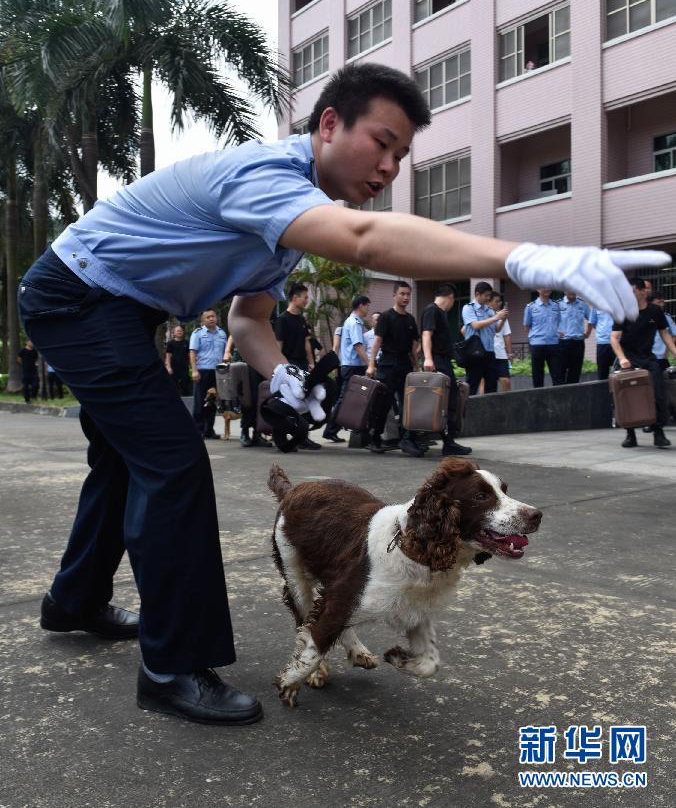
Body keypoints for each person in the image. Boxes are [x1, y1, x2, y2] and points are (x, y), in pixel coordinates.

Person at [17, 61, 666, 727]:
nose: (388, 166)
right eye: (381, 143)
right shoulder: (265, 176)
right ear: (329, 124)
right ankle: (172, 666)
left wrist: (283, 376)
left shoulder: (290, 223)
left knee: (126, 460)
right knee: (173, 463)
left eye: (401, 154)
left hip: (122, 310)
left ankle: (76, 601)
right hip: (80, 298)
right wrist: (526, 257)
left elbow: (250, 318)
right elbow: (363, 239)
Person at [611, 278, 676, 449]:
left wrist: (675, 353)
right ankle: (630, 435)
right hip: (628, 359)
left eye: (632, 292)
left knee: (658, 395)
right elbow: (614, 338)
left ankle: (658, 433)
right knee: (628, 397)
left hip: (648, 358)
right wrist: (622, 358)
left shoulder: (655, 311)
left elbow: (664, 333)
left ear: (642, 292)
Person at [366, 281, 424, 456]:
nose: (406, 297)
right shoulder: (386, 317)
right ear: (395, 295)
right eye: (402, 294)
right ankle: (375, 438)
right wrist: (371, 364)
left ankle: (407, 439)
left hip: (405, 365)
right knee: (383, 404)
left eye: (408, 294)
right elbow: (377, 342)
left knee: (409, 404)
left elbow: (414, 347)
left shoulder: (410, 319)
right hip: (388, 365)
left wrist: (416, 367)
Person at [421, 283, 472, 456]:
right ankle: (445, 441)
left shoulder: (440, 313)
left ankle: (448, 441)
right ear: (451, 297)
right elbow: (426, 334)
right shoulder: (432, 310)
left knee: (450, 401)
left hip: (443, 361)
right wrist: (428, 358)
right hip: (436, 361)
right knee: (442, 402)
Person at [274, 283, 320, 450]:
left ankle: (302, 437)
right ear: (295, 298)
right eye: (305, 297)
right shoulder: (282, 320)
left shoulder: (301, 319)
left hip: (302, 365)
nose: (307, 300)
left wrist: (311, 363)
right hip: (288, 365)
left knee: (305, 402)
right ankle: (282, 439)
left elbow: (307, 343)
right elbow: (278, 346)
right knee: (287, 403)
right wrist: (281, 368)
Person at [323, 294, 370, 442]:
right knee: (344, 399)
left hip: (349, 366)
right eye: (367, 305)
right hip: (353, 367)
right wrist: (369, 363)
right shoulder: (355, 322)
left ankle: (332, 429)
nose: (368, 309)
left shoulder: (349, 321)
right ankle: (330, 430)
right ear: (361, 305)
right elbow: (358, 345)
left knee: (345, 399)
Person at [461, 281, 506, 395]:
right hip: (475, 352)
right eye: (486, 295)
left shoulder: (489, 310)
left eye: (489, 295)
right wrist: (496, 317)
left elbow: (497, 329)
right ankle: (466, 410)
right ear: (477, 294)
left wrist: (503, 318)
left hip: (490, 352)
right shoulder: (468, 308)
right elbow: (475, 325)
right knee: (472, 385)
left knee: (491, 385)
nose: (488, 298)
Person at [189, 309, 228, 439]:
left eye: (213, 316)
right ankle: (198, 430)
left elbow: (225, 353)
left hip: (218, 372)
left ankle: (209, 430)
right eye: (208, 317)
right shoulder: (197, 333)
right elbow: (192, 353)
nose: (211, 319)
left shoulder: (222, 334)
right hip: (202, 371)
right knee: (200, 402)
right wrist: (194, 370)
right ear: (203, 320)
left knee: (212, 402)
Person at [524, 289, 564, 388]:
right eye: (543, 286)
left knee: (558, 376)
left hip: (554, 344)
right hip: (537, 345)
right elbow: (527, 326)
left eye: (548, 286)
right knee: (538, 377)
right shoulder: (531, 307)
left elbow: (558, 322)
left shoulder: (556, 306)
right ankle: (539, 401)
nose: (546, 289)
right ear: (537, 289)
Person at [557, 291, 592, 384]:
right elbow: (550, 320)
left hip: (578, 343)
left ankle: (573, 397)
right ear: (564, 291)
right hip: (563, 343)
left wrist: (588, 333)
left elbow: (592, 319)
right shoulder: (558, 304)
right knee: (560, 372)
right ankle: (561, 396)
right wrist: (556, 333)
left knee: (575, 373)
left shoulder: (582, 304)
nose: (572, 292)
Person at [489, 291, 513, 392]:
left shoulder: (503, 316)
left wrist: (510, 353)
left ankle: (508, 405)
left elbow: (507, 336)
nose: (499, 303)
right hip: (488, 353)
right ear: (489, 302)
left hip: (501, 354)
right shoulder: (483, 315)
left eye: (500, 301)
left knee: (506, 381)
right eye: (496, 301)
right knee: (486, 383)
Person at [648, 292, 676, 371]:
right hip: (647, 357)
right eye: (658, 302)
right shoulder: (643, 317)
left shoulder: (666, 317)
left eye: (662, 302)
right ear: (650, 303)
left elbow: (674, 334)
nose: (661, 305)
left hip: (662, 357)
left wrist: (668, 350)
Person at [588, 307, 615, 381]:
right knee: (602, 373)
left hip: (617, 343)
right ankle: (603, 392)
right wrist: (602, 332)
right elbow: (593, 323)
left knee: (619, 372)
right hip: (602, 343)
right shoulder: (596, 304)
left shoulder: (618, 302)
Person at [164, 325, 191, 395]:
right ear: (174, 333)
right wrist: (168, 367)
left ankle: (187, 401)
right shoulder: (170, 343)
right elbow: (168, 356)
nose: (180, 332)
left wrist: (193, 366)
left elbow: (190, 355)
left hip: (184, 367)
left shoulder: (186, 342)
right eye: (178, 331)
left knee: (185, 384)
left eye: (181, 331)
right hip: (173, 367)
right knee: (173, 386)